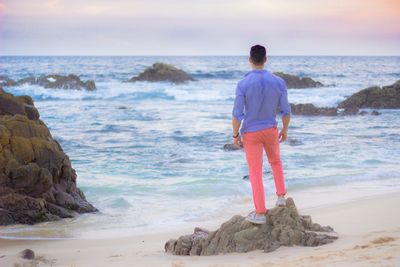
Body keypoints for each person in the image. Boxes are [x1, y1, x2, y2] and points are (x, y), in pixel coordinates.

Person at [231, 44, 291, 224]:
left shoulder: (243, 84)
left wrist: (235, 135)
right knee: (276, 162)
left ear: (250, 60)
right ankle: (281, 198)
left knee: (255, 171)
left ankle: (260, 213)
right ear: (265, 60)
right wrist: (285, 130)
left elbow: (236, 114)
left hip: (251, 133)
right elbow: (286, 111)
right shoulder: (279, 82)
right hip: (271, 129)